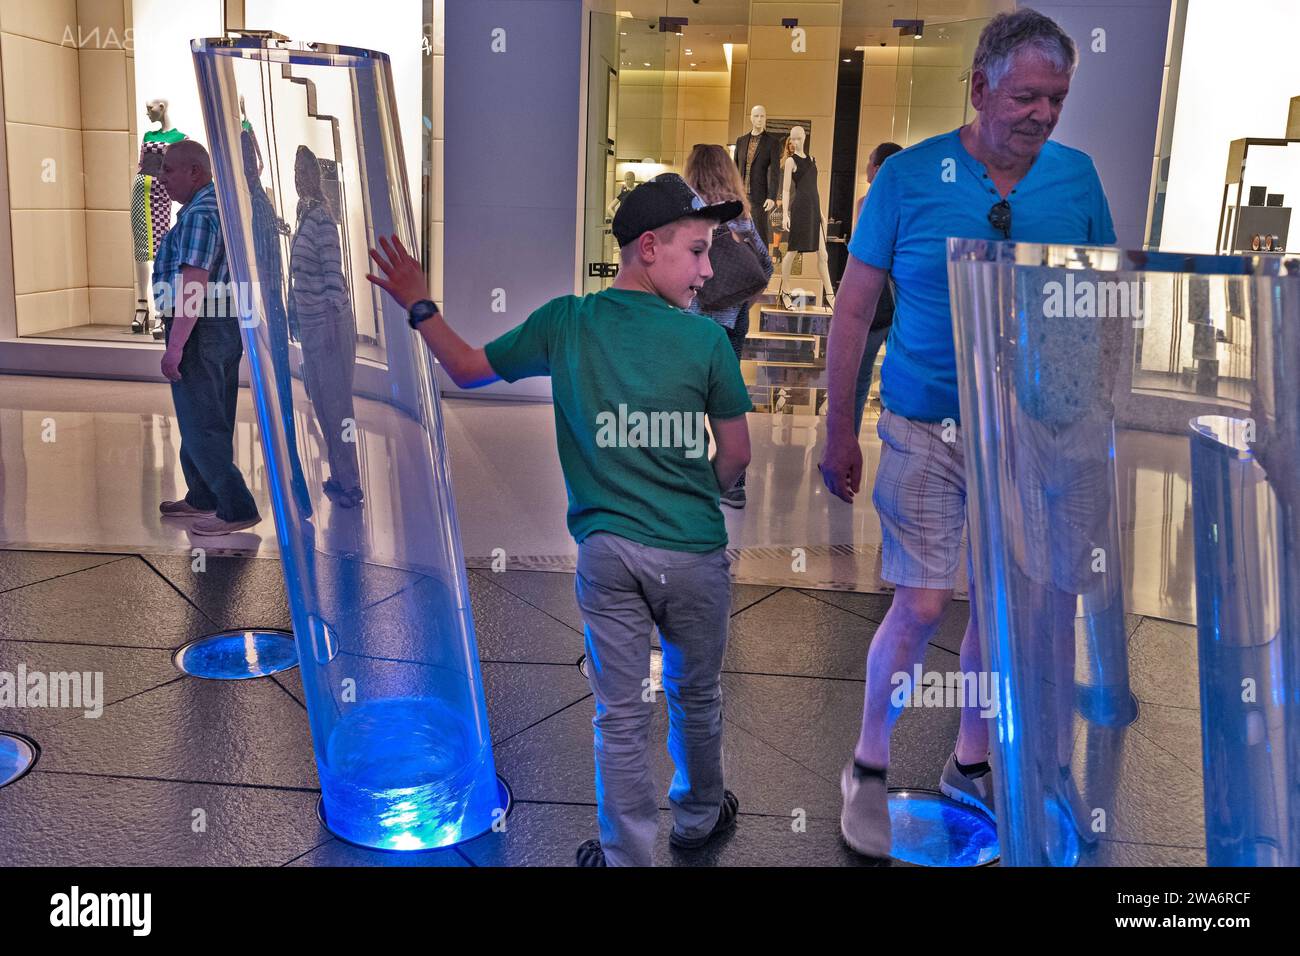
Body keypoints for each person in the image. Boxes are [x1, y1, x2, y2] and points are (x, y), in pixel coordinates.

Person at [366, 173, 753, 867]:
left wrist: (418, 302)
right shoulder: (707, 345)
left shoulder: (566, 323)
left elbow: (466, 366)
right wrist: (691, 494)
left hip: (607, 555)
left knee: (620, 713)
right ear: (647, 248)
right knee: (696, 693)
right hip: (694, 555)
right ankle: (697, 818)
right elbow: (736, 455)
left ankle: (626, 854)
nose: (706, 271)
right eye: (696, 252)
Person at [818, 9, 1116, 859]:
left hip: (1034, 430)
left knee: (1002, 599)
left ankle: (970, 762)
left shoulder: (1077, 180)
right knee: (920, 599)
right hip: (927, 424)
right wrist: (836, 430)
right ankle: (869, 765)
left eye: (1056, 99)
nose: (1043, 114)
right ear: (980, 86)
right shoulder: (909, 180)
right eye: (1026, 96)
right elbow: (853, 311)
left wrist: (1092, 408)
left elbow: (1101, 300)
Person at [154, 139, 261, 536]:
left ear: (194, 172)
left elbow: (193, 286)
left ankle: (236, 507)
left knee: (200, 423)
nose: (161, 178)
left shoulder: (199, 215)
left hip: (202, 329)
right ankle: (202, 496)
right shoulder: (225, 206)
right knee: (211, 415)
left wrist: (176, 346)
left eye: (168, 170)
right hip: (225, 325)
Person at [683, 143, 772, 509]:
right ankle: (734, 485)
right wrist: (738, 300)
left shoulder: (687, 215)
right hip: (732, 324)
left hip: (692, 323)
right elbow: (764, 269)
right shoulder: (742, 218)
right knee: (727, 399)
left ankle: (690, 473)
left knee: (688, 399)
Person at [290, 145, 363, 508]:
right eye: (296, 171)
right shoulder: (305, 214)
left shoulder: (321, 219)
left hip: (329, 324)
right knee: (322, 403)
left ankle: (350, 482)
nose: (299, 178)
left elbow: (334, 276)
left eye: (303, 171)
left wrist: (333, 326)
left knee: (337, 407)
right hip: (312, 324)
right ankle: (339, 476)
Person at [850, 142, 902, 436]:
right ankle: (892, 443)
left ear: (879, 168)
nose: (866, 169)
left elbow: (861, 259)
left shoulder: (866, 204)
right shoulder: (907, 206)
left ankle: (852, 441)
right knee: (891, 381)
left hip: (875, 306)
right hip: (892, 306)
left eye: (870, 162)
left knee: (861, 381)